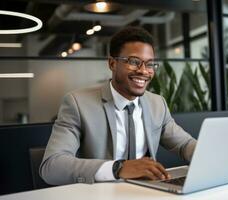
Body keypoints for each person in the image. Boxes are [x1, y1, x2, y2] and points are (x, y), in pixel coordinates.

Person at [40, 26, 197, 185]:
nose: (143, 71)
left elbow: (184, 144)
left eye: (150, 64)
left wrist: (212, 155)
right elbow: (52, 166)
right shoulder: (78, 104)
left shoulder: (157, 104)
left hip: (147, 192)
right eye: (134, 62)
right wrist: (117, 168)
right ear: (112, 63)